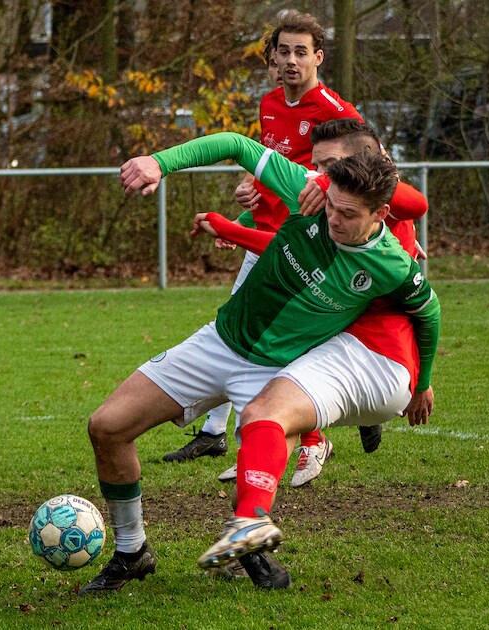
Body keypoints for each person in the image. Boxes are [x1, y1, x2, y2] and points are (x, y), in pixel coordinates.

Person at [77, 138, 439, 595]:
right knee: (107, 426)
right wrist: (159, 163)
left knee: (253, 473)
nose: (333, 218)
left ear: (379, 215)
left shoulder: (391, 265)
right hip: (218, 343)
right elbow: (236, 145)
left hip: (277, 375)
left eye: (348, 214)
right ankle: (132, 552)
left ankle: (249, 545)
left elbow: (428, 312)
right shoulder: (308, 191)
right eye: (331, 205)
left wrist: (422, 383)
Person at [164, 12, 366, 486]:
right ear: (272, 57)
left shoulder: (335, 110)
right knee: (242, 333)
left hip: (307, 244)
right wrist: (250, 195)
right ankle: (233, 437)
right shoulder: (270, 103)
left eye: (302, 52)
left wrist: (401, 231)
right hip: (267, 235)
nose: (292, 60)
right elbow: (272, 165)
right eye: (284, 51)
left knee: (261, 338)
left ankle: (307, 437)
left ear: (319, 58)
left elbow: (374, 171)